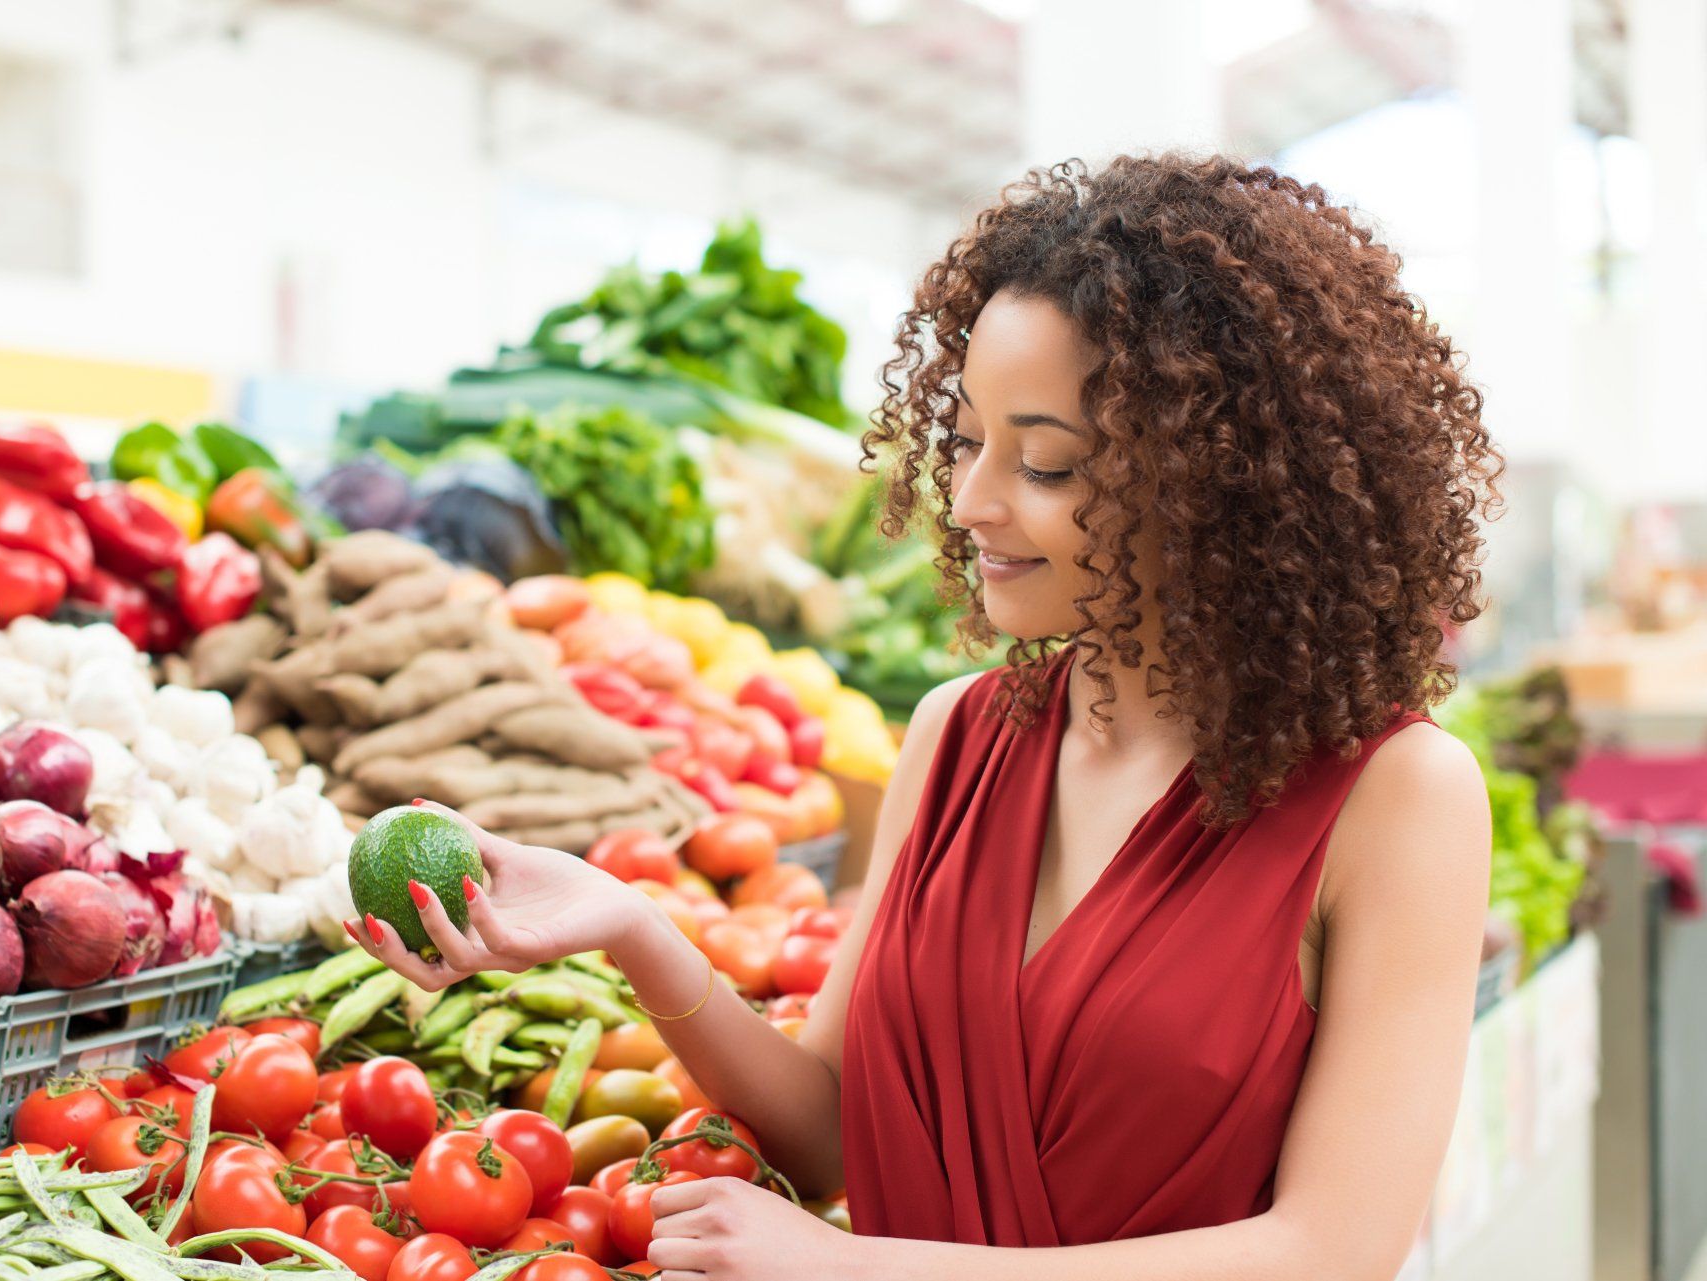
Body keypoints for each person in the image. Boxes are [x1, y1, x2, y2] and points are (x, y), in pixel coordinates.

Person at [348, 153, 1498, 1281]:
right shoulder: (959, 735)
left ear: (1217, 481)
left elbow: (1332, 1252)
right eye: (962, 442)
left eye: (1045, 464)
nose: (968, 500)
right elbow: (826, 1137)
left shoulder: (1395, 797)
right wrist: (634, 928)